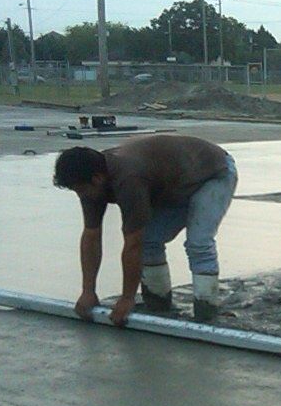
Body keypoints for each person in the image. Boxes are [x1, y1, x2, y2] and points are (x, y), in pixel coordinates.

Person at [53, 135, 238, 327]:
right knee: (150, 240)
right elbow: (91, 236)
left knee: (198, 242)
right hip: (174, 182)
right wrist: (88, 291)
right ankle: (159, 305)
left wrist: (127, 298)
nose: (80, 195)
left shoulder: (129, 179)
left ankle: (207, 312)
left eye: (80, 190)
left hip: (213, 172)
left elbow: (133, 243)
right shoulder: (91, 180)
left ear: (97, 179)